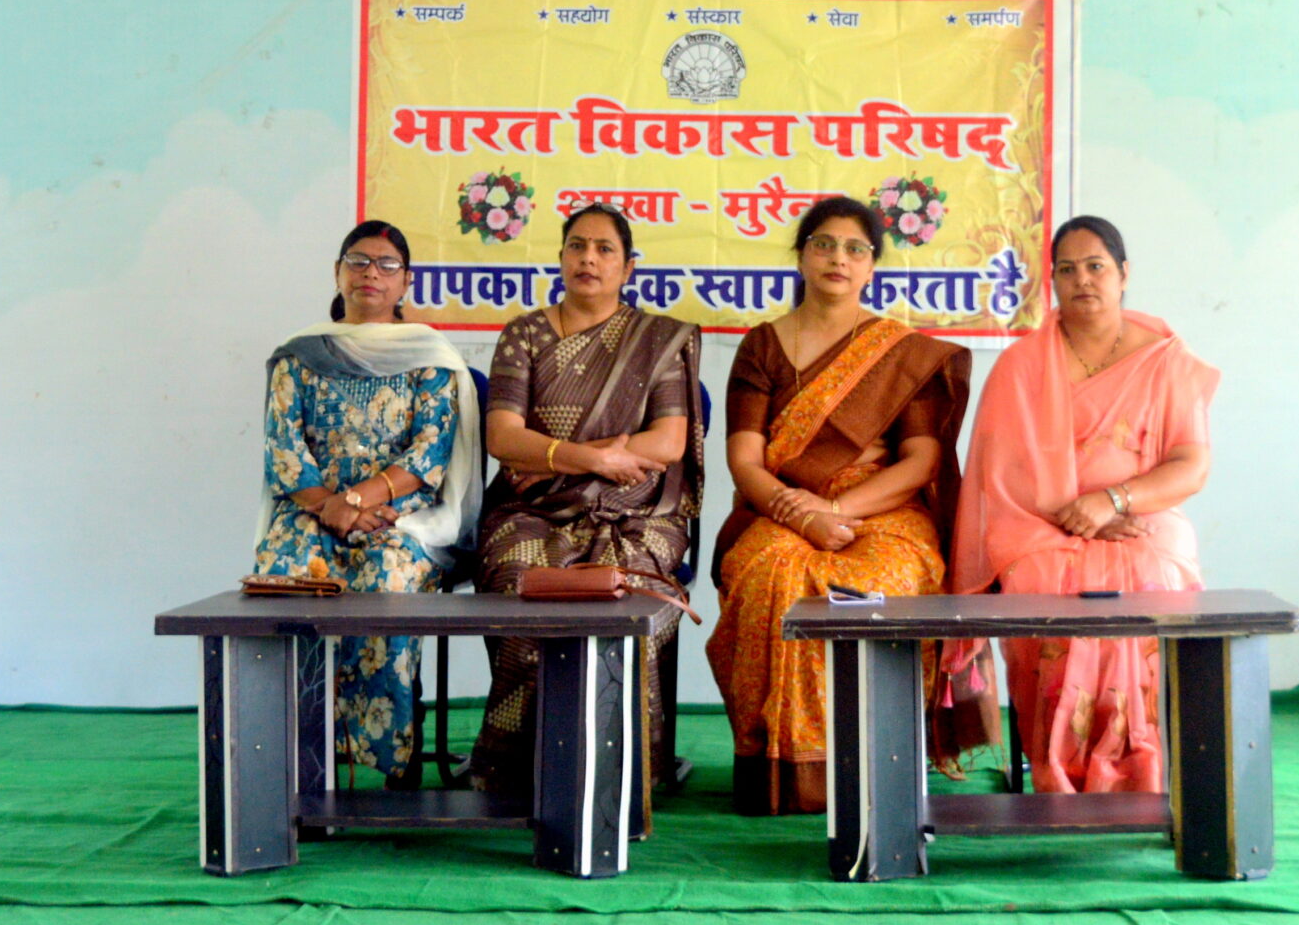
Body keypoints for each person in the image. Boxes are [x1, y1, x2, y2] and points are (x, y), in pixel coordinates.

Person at [705, 197, 990, 815]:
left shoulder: (900, 353)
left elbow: (921, 460)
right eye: (825, 244)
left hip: (881, 508)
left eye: (855, 249)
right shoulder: (763, 347)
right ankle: (786, 770)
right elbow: (745, 460)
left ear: (870, 267)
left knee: (883, 582)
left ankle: (882, 756)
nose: (839, 257)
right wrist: (800, 514)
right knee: (772, 574)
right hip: (780, 507)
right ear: (801, 256)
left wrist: (837, 508)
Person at [943, 215, 1218, 796]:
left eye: (1096, 266)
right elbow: (998, 477)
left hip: (1141, 517)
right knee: (1042, 577)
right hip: (1039, 525)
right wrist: (1075, 516)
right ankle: (1057, 763)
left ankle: (1142, 759)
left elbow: (1190, 464)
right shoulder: (1022, 365)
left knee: (1154, 570)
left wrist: (1113, 500)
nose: (1082, 280)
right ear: (1052, 281)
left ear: (1124, 274)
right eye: (1067, 270)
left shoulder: (1164, 360)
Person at [467, 204, 702, 794]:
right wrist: (595, 458)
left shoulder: (657, 340)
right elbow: (503, 439)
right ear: (561, 257)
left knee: (631, 594)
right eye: (577, 246)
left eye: (604, 249)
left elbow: (668, 442)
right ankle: (523, 766)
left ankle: (623, 770)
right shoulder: (523, 334)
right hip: (530, 511)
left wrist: (555, 457)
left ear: (627, 267)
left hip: (636, 510)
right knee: (523, 585)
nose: (588, 259)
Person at [253, 221, 480, 783]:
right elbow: (284, 452)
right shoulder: (298, 356)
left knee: (386, 580)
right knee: (285, 575)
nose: (370, 273)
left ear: (406, 282)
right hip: (310, 514)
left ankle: (390, 763)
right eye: (357, 261)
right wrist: (331, 507)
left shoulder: (430, 357)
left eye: (386, 265)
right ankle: (295, 758)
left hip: (402, 517)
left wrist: (356, 501)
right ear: (337, 272)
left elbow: (429, 454)